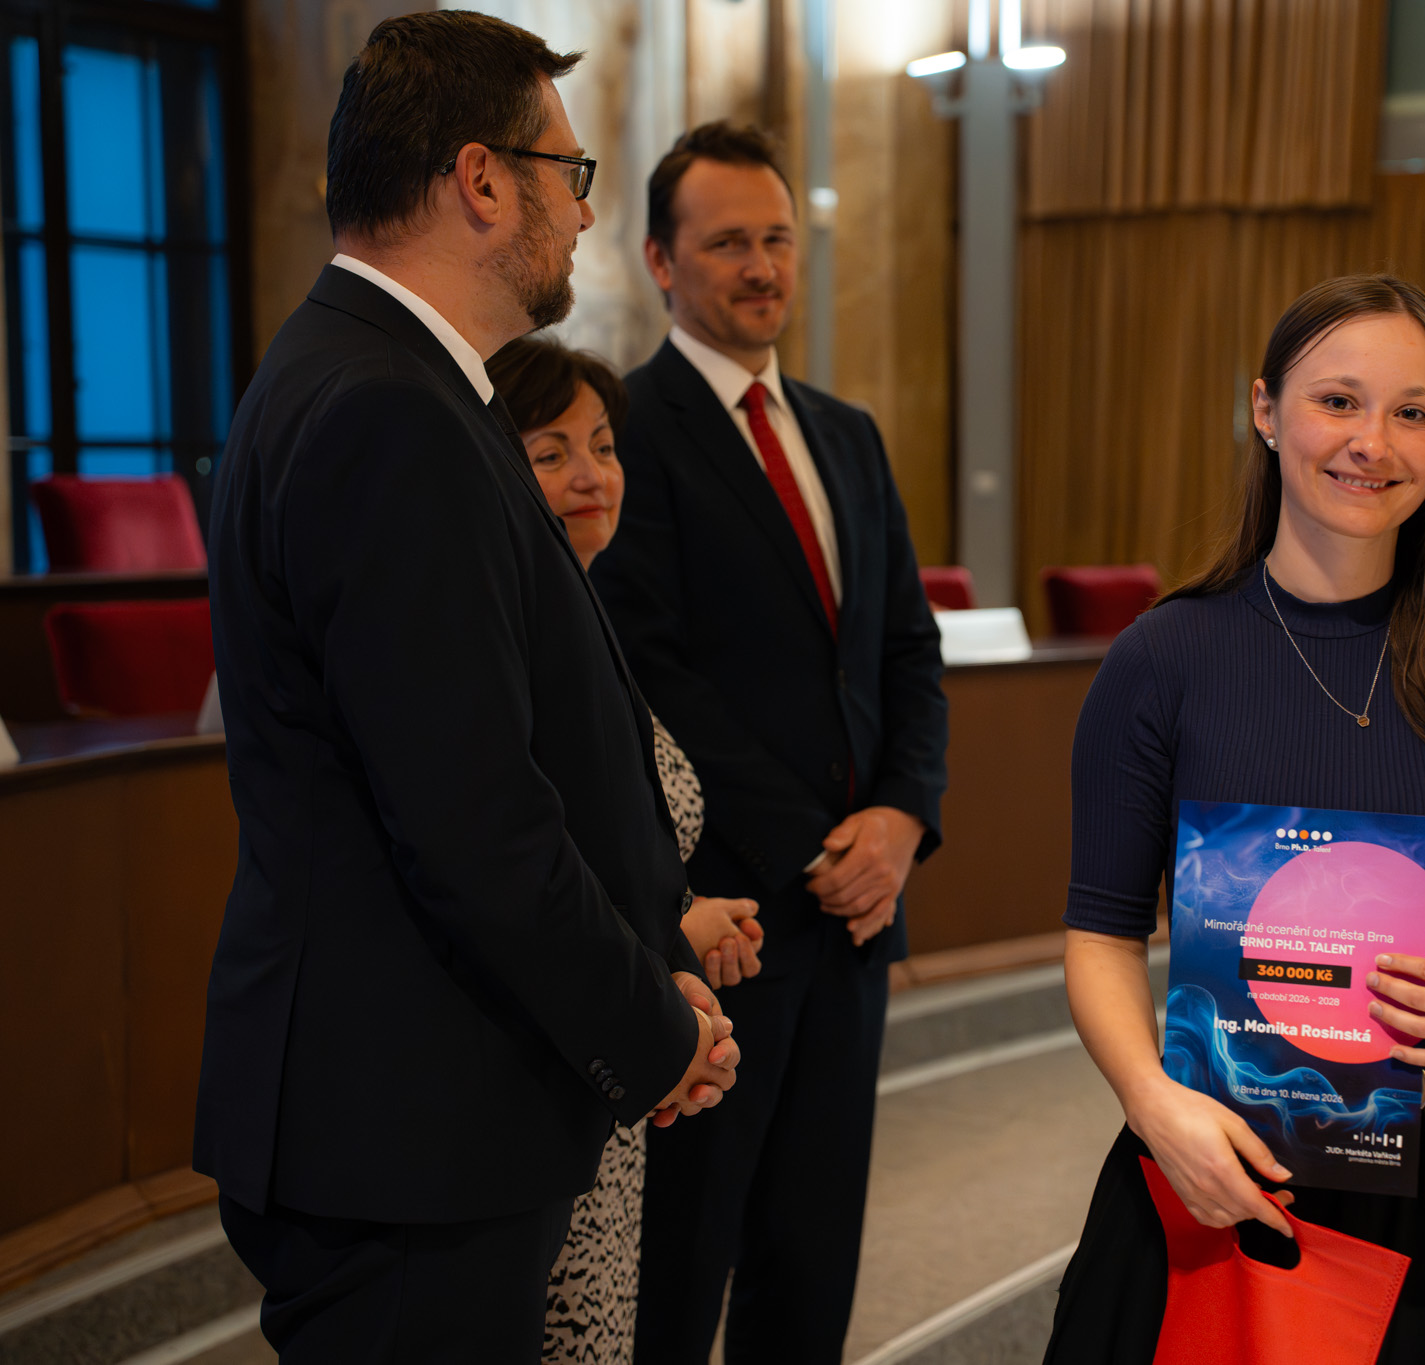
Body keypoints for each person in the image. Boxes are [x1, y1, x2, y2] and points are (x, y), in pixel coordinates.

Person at [196, 15, 738, 1361]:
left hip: (417, 1108)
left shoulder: (393, 381)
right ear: (483, 179)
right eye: (572, 172)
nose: (584, 212)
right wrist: (650, 1029)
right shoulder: (387, 408)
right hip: (406, 1123)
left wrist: (656, 966)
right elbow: (473, 821)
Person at [1044, 274, 1425, 1363]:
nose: (1372, 442)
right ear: (1265, 410)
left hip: (1419, 1178)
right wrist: (1151, 1104)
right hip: (1207, 1162)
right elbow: (1100, 931)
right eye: (1337, 401)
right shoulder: (1162, 661)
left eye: (1411, 412)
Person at [587, 121, 949, 1363]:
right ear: (660, 261)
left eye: (778, 239)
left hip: (854, 919)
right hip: (726, 917)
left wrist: (899, 820)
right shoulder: (625, 431)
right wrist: (816, 847)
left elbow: (904, 649)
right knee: (684, 1263)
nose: (760, 266)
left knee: (812, 1256)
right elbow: (651, 676)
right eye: (727, 242)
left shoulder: (845, 433)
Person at [485, 335, 767, 1362]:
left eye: (602, 447)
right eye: (550, 451)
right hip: (553, 1061)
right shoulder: (511, 631)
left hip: (622, 1044)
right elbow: (525, 862)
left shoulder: (587, 616)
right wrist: (667, 950)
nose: (590, 475)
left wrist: (682, 919)